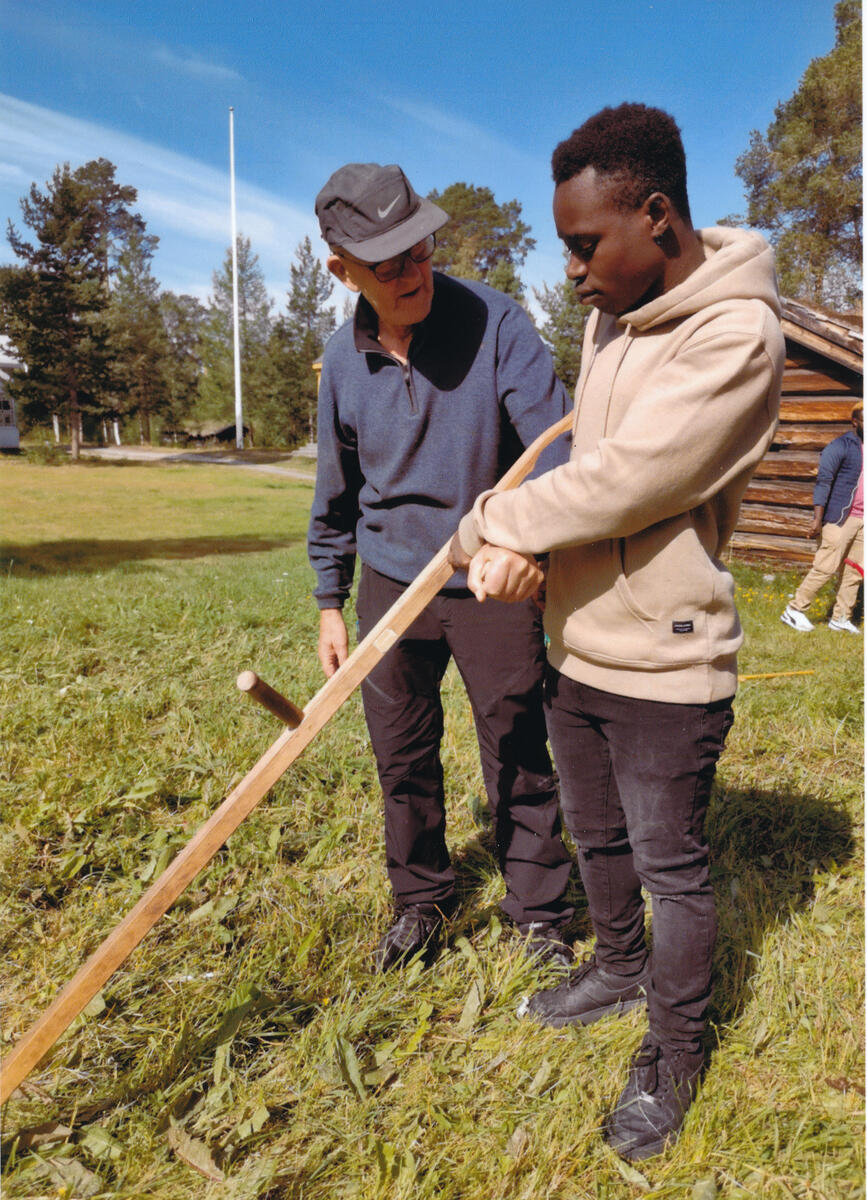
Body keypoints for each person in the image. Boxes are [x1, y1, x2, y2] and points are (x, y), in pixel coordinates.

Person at [450, 103, 785, 1162]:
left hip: (669, 660)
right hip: (578, 642)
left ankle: (675, 1053)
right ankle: (618, 966)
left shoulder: (738, 334)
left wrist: (494, 525)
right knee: (596, 834)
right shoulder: (608, 320)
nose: (578, 272)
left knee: (670, 862)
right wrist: (534, 552)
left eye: (588, 244)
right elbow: (580, 478)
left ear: (658, 215)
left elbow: (633, 481)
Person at [308, 161, 575, 973]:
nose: (413, 271)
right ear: (340, 268)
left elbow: (558, 448)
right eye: (388, 262)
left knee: (518, 746)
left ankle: (537, 914)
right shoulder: (342, 359)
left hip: (488, 580)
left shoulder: (496, 325)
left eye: (420, 248)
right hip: (391, 587)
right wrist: (330, 600)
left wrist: (520, 542)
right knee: (401, 754)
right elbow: (337, 489)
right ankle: (420, 902)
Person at [781, 402, 863, 634]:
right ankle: (794, 610)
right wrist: (817, 520)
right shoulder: (840, 446)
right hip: (839, 518)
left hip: (863, 520)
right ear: (854, 422)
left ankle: (841, 618)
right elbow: (823, 482)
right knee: (825, 567)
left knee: (855, 571)